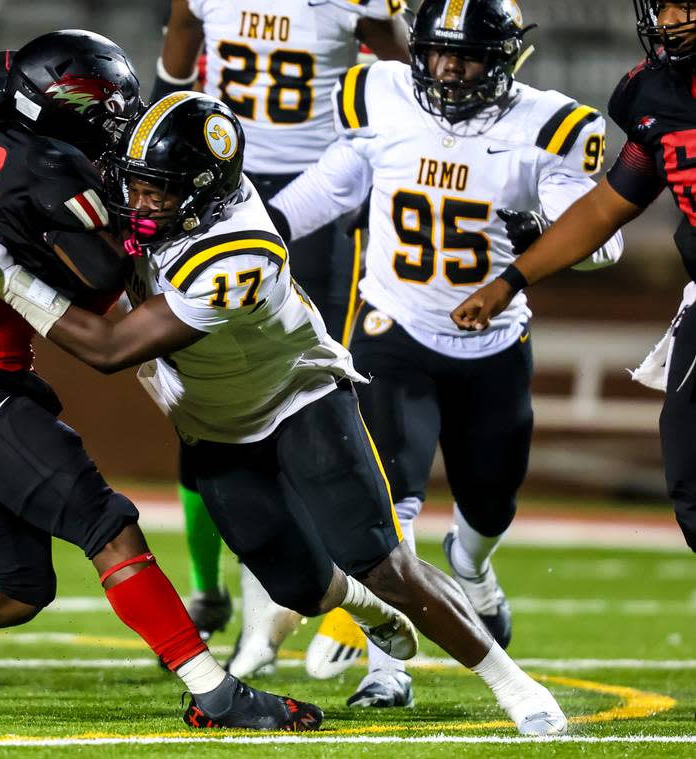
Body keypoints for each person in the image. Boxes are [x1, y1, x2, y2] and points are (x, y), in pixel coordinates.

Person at [0, 91, 571, 736]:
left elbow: (109, 348)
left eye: (157, 191)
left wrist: (2, 277)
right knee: (304, 588)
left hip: (296, 399)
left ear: (201, 192)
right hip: (213, 426)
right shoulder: (159, 196)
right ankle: (364, 609)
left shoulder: (237, 250)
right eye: (135, 184)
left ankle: (513, 682)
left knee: (380, 559)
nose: (138, 201)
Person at [0, 29, 383, 732]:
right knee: (111, 526)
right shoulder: (51, 177)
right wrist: (134, 222)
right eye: (105, 105)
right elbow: (101, 292)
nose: (118, 117)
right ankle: (213, 692)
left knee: (18, 591)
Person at [267, 0, 625, 707]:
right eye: (436, 52)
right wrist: (268, 224)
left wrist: (538, 233)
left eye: (466, 56)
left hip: (491, 342)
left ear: (505, 61)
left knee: (489, 502)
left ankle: (471, 564)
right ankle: (386, 668)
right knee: (390, 504)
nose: (448, 68)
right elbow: (341, 179)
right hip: (392, 324)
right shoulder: (382, 93)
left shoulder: (547, 125)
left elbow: (604, 241)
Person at [152, 0, 412, 652]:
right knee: (206, 389)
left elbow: (410, 76)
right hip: (214, 189)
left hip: (316, 193)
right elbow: (176, 63)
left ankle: (338, 587)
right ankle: (217, 586)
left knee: (317, 384)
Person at [452, 0, 696, 555]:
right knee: (689, 477)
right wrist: (510, 280)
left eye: (684, 5)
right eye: (663, 6)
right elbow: (606, 207)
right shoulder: (659, 95)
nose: (668, 19)